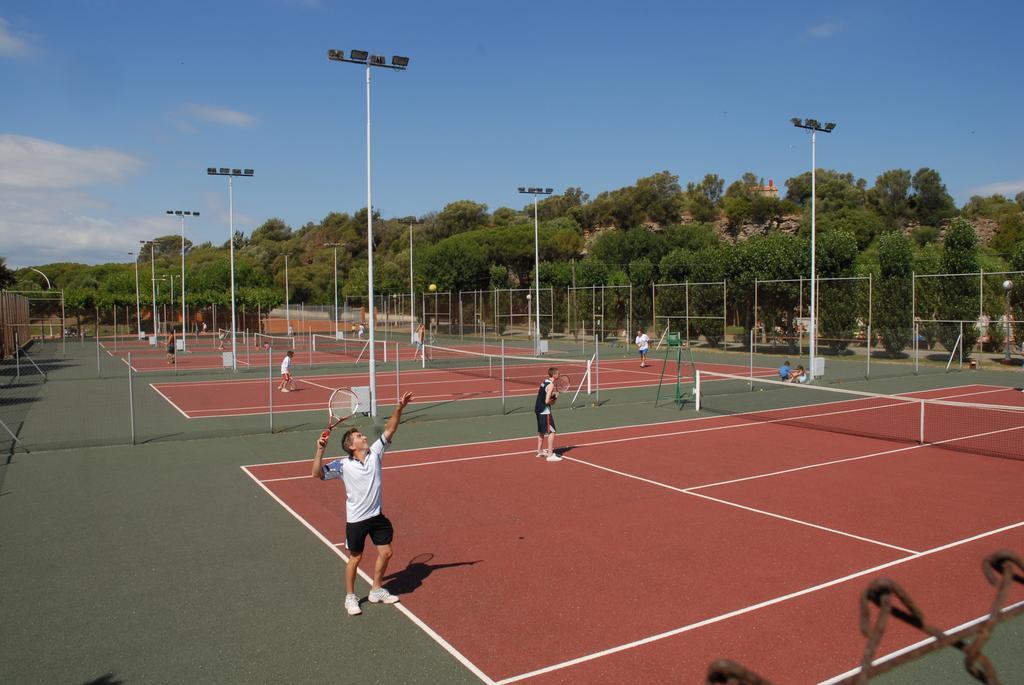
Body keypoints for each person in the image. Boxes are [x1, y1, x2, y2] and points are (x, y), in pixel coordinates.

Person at [312, 392, 414, 616]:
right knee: (355, 558)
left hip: (376, 516)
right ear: (351, 446)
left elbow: (390, 429)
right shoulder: (342, 465)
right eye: (359, 436)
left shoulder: (375, 453)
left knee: (386, 553)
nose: (364, 437)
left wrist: (400, 408)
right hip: (356, 520)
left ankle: (376, 590)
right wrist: (320, 449)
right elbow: (316, 474)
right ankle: (350, 597)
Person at [535, 367, 562, 462]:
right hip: (545, 411)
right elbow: (547, 401)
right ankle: (550, 455)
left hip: (538, 409)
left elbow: (544, 395)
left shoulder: (544, 382)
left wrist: (553, 395)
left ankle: (540, 451)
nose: (559, 375)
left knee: (541, 431)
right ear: (554, 375)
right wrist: (555, 397)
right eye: (558, 373)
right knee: (552, 432)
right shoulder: (550, 385)